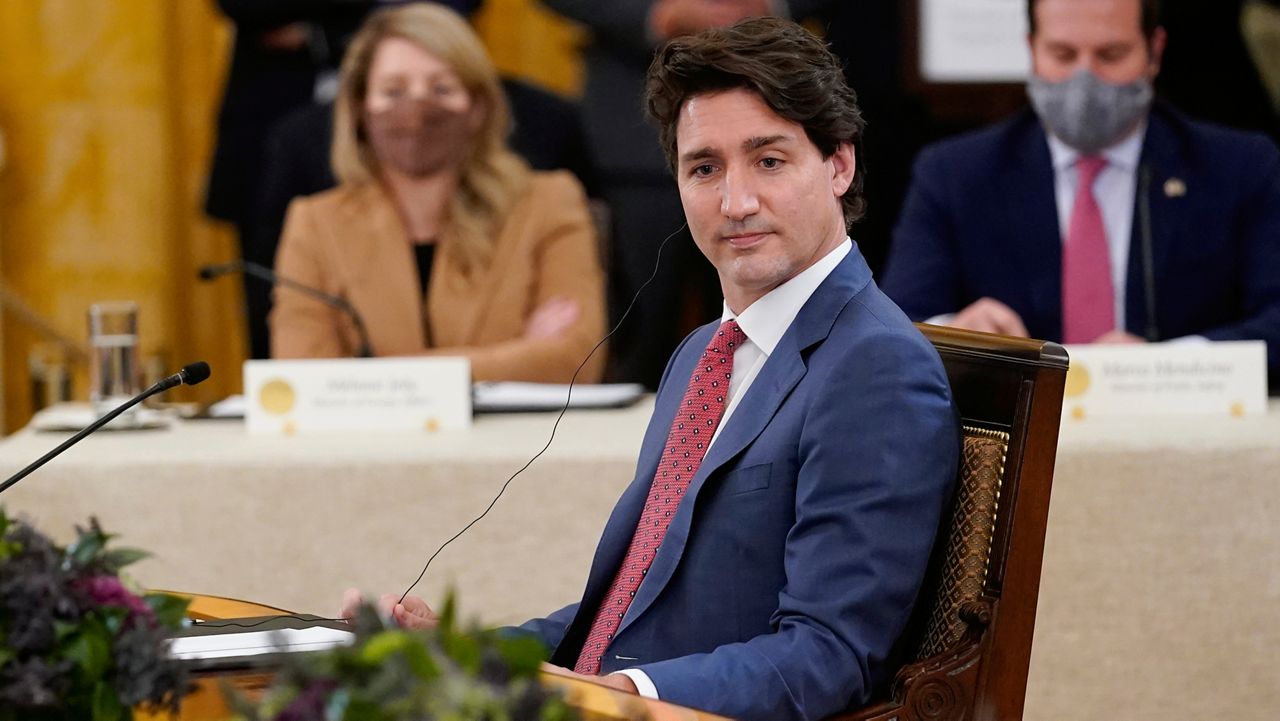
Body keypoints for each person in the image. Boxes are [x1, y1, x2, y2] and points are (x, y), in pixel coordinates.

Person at [344, 18, 960, 721]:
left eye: (769, 160)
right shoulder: (700, 352)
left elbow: (829, 654)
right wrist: (462, 652)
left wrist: (628, 694)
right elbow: (628, 612)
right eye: (704, 168)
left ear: (838, 165)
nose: (735, 202)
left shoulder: (875, 366)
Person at [881, 0, 1280, 382]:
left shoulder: (1239, 167)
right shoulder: (955, 174)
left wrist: (1167, 366)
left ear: (1154, 52)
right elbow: (894, 327)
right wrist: (960, 336)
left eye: (1110, 55)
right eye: (1063, 54)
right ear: (1031, 50)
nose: (1084, 79)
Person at [269, 4, 606, 384]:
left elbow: (575, 360)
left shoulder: (550, 201)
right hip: (367, 446)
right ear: (360, 109)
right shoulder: (315, 222)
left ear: (477, 106)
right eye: (393, 90)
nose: (416, 109)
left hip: (519, 443)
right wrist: (512, 355)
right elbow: (303, 378)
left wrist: (366, 377)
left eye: (441, 88)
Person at [540, 0, 779, 390]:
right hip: (632, 117)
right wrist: (657, 14)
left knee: (770, 327)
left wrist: (767, 5)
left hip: (772, 85)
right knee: (640, 336)